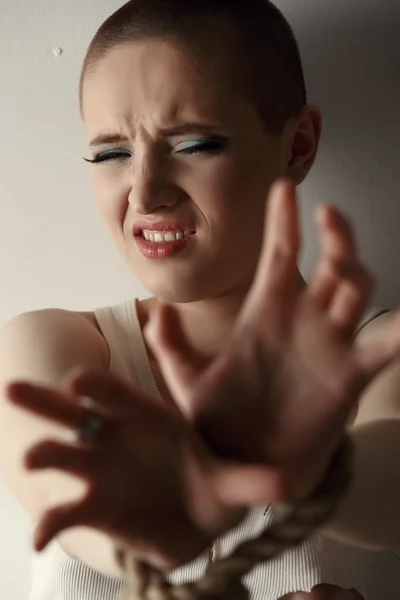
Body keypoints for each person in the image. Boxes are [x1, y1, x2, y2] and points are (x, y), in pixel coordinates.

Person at [1, 0, 400, 598]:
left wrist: (283, 464)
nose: (145, 192)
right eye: (111, 153)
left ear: (296, 147)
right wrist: (185, 503)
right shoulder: (52, 346)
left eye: (193, 145)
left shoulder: (380, 350)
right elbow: (67, 496)